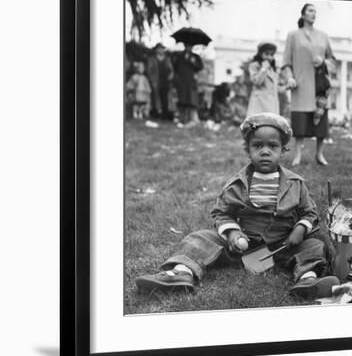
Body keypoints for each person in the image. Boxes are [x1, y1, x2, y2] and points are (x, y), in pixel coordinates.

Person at [136, 113, 339, 300]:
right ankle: (182, 272)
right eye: (258, 146)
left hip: (284, 245)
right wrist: (233, 233)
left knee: (314, 245)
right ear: (248, 151)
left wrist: (300, 228)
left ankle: (307, 278)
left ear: (283, 151)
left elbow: (309, 212)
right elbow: (221, 213)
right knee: (200, 237)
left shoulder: (295, 183)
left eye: (272, 146)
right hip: (244, 245)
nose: (265, 151)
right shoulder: (238, 183)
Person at [282, 3, 335, 166]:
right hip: (301, 84)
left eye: (315, 11)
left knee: (321, 121)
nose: (313, 14)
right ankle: (297, 154)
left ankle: (319, 154)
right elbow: (286, 62)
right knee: (300, 121)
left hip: (320, 86)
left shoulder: (324, 36)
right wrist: (289, 77)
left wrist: (323, 62)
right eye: (310, 11)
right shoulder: (293, 35)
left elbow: (333, 60)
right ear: (303, 14)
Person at [246, 41, 291, 117]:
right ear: (260, 54)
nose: (269, 57)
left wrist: (287, 87)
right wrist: (263, 69)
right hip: (259, 106)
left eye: (271, 55)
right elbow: (257, 82)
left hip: (272, 107)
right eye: (266, 54)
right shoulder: (254, 66)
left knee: (271, 128)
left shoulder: (272, 70)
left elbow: (275, 88)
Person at [174, 45, 204, 124]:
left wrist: (193, 62)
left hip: (191, 82)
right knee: (182, 100)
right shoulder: (179, 56)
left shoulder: (195, 57)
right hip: (182, 81)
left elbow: (200, 67)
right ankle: (182, 118)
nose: (188, 48)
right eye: (187, 45)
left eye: (190, 46)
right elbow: (176, 67)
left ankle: (191, 119)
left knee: (191, 101)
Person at [146, 43, 174, 120]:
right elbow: (149, 70)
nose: (160, 50)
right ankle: (155, 114)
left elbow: (171, 70)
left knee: (165, 98)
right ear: (156, 50)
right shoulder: (152, 58)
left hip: (165, 81)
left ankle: (165, 115)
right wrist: (152, 79)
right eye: (159, 48)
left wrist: (170, 76)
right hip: (156, 81)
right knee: (155, 98)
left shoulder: (167, 59)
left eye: (162, 48)